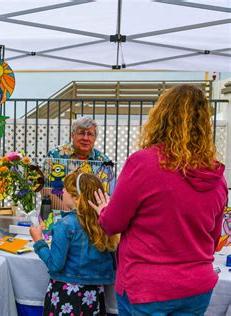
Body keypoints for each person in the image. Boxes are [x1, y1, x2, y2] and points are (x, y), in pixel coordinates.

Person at [89, 84, 227, 315]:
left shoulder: (143, 164)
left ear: (160, 118)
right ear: (204, 125)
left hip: (146, 288)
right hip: (196, 287)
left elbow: (112, 224)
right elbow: (213, 240)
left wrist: (104, 209)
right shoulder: (216, 176)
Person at [30, 172, 119, 316]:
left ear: (77, 199)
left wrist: (39, 241)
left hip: (66, 295)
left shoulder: (64, 225)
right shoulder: (105, 224)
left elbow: (55, 265)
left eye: (65, 188)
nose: (63, 191)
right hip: (94, 296)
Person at [45, 116, 112, 210]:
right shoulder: (55, 155)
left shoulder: (103, 161)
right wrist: (70, 214)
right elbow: (47, 189)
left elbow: (106, 195)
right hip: (59, 214)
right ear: (72, 135)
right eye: (81, 133)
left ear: (95, 138)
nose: (85, 138)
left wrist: (86, 217)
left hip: (90, 216)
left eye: (90, 134)